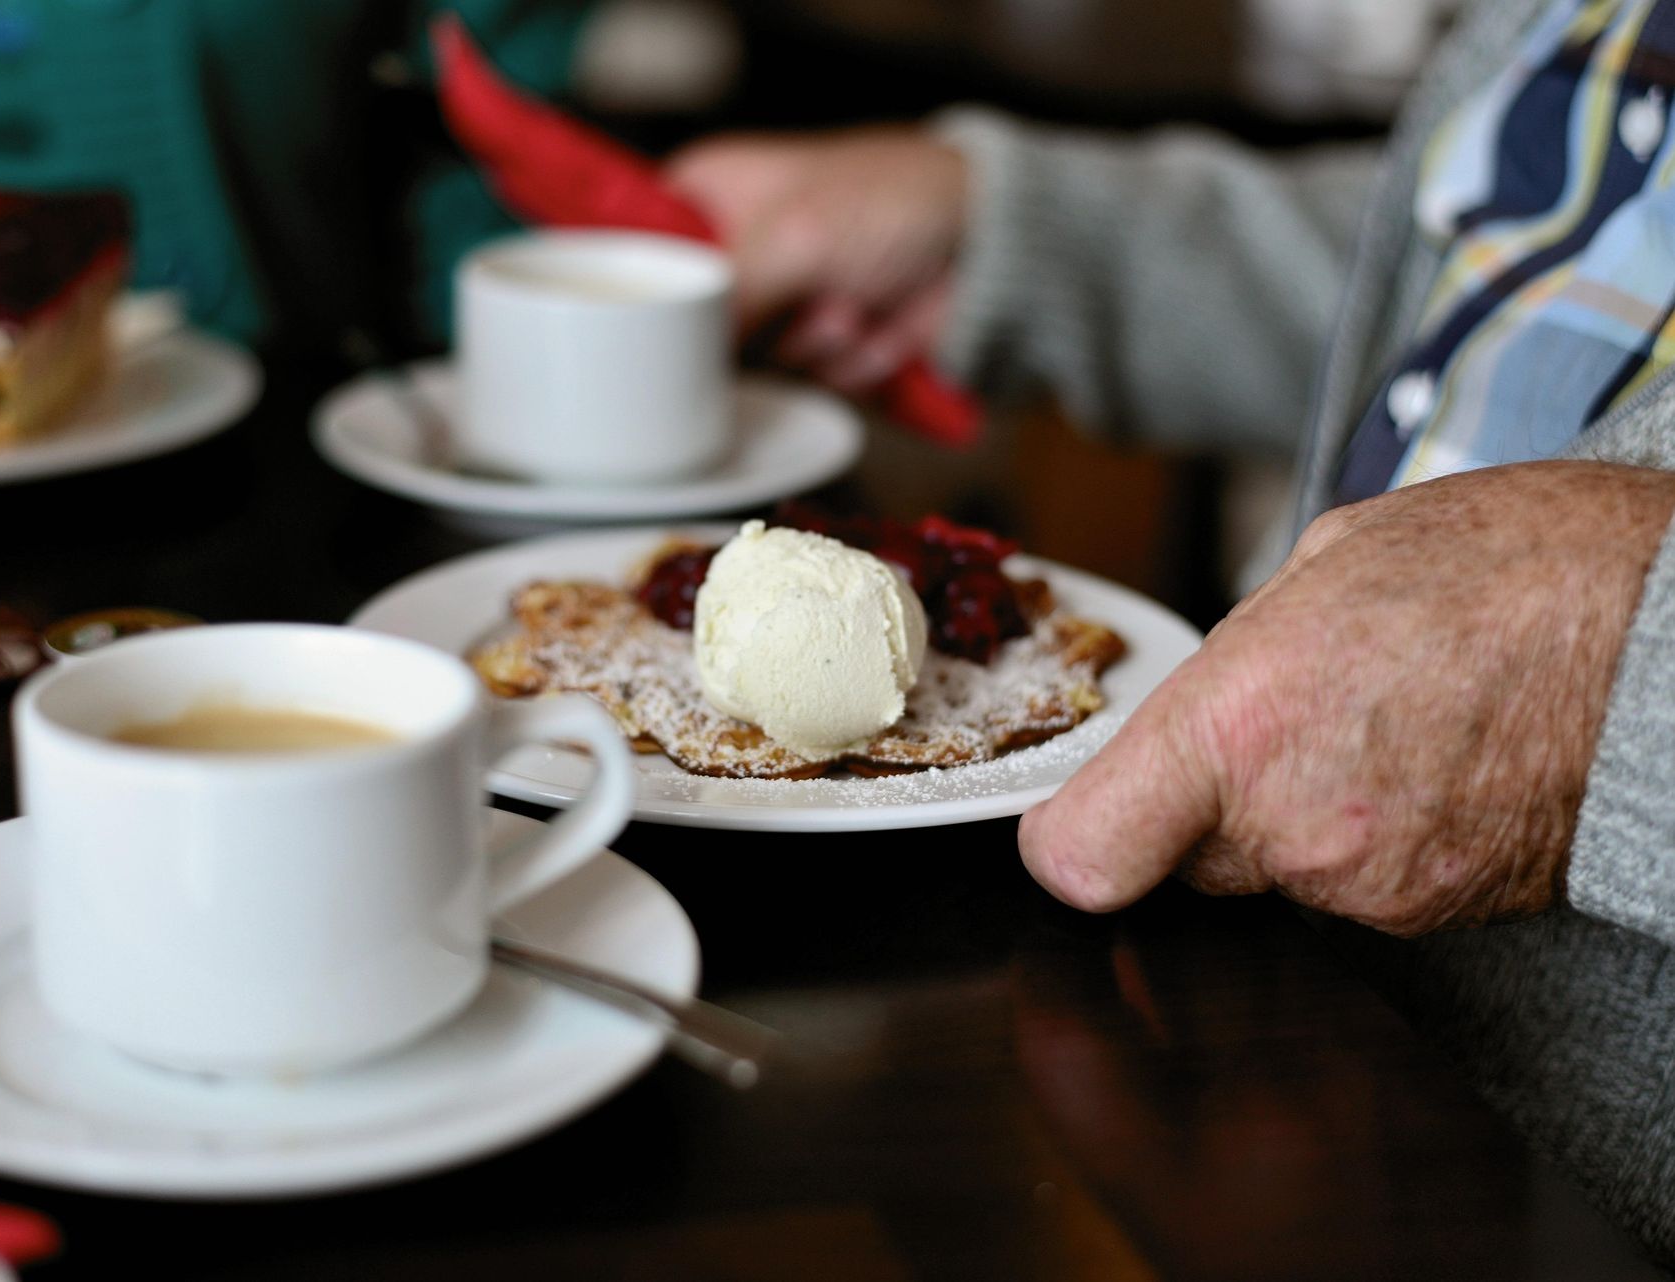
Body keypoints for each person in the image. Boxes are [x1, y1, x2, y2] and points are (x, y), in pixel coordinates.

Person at [666, 0, 1675, 1262]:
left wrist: (1611, 650)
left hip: (1548, 1200)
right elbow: (1538, 271)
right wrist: (1032, 230)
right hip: (1260, 1011)